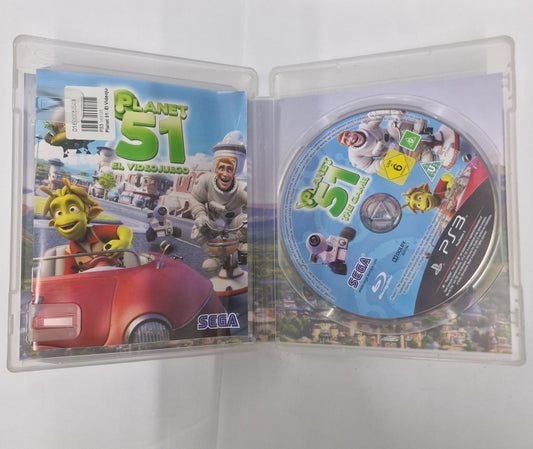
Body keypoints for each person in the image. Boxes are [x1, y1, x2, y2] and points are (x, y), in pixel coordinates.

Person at [40, 178, 133, 274]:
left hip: (117, 277)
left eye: (73, 209)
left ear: (89, 213)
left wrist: (124, 242)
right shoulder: (70, 252)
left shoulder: (97, 232)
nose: (65, 218)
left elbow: (124, 230)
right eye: (59, 213)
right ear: (53, 222)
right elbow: (68, 276)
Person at [190, 131, 247, 274]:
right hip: (212, 222)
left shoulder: (241, 188)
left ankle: (243, 245)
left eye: (230, 169)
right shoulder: (205, 181)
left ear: (236, 170)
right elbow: (196, 199)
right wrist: (200, 215)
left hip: (235, 223)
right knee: (197, 231)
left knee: (249, 224)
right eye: (221, 168)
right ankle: (215, 257)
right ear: (215, 166)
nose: (225, 174)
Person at [337, 110, 436, 173]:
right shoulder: (354, 155)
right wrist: (383, 163)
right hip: (393, 152)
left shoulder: (365, 125)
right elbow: (367, 167)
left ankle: (416, 132)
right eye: (346, 140)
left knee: (394, 124)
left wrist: (395, 112)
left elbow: (379, 112)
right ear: (348, 145)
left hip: (397, 135)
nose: (350, 138)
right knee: (426, 160)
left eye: (348, 134)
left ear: (351, 132)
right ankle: (423, 150)